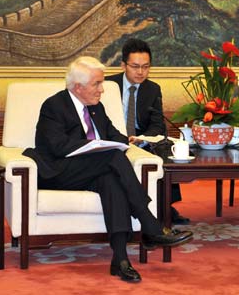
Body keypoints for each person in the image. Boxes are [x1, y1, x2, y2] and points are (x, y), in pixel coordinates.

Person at [23, 56, 193, 283]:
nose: (102, 90)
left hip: (92, 171)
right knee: (110, 156)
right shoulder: (54, 106)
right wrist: (95, 147)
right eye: (97, 84)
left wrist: (124, 141)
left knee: (111, 180)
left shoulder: (96, 107)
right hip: (58, 172)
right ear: (78, 87)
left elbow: (114, 135)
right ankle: (150, 224)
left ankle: (120, 260)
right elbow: (57, 147)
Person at [106, 38, 190, 225]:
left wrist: (142, 139)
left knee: (165, 150)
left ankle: (166, 206)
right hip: (112, 136)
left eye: (146, 66)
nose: (141, 72)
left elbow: (157, 124)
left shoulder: (152, 89)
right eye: (135, 66)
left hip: (140, 139)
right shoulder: (107, 85)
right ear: (123, 65)